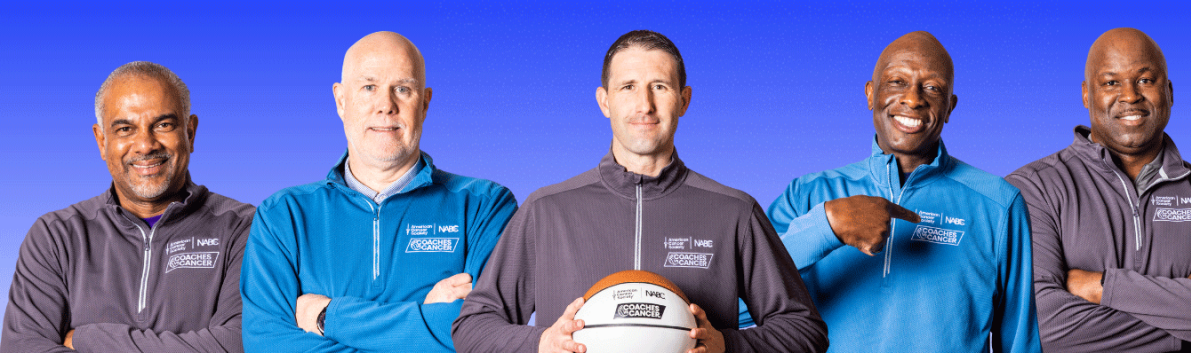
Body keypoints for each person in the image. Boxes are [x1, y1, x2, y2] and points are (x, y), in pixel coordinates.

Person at [452, 30, 827, 353]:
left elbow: (804, 330)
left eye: (659, 87)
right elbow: (471, 327)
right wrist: (541, 343)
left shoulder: (735, 212)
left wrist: (729, 345)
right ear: (604, 101)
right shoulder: (545, 210)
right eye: (628, 87)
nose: (644, 105)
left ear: (684, 100)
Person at [736, 31, 1041, 352]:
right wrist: (826, 228)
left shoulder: (999, 204)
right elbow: (737, 308)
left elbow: (1020, 341)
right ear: (871, 94)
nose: (913, 99)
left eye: (933, 88)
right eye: (897, 82)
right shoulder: (806, 195)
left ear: (950, 107)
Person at [240, 31, 518, 352]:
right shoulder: (282, 217)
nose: (386, 105)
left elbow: (484, 338)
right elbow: (268, 344)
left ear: (424, 103)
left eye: (402, 89)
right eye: (369, 87)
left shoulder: (485, 208)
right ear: (341, 101)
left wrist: (328, 316)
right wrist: (428, 322)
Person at [1006, 28, 1191, 352]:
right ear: (1087, 94)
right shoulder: (1031, 190)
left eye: (1145, 80)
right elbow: (1038, 330)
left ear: (1170, 92)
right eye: (1111, 82)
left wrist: (1102, 287)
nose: (1130, 96)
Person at [1, 61, 253, 352]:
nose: (145, 145)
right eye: (125, 129)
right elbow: (22, 347)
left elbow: (239, 343)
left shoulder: (243, 229)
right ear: (101, 141)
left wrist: (88, 338)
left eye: (163, 125)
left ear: (190, 132)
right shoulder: (55, 237)